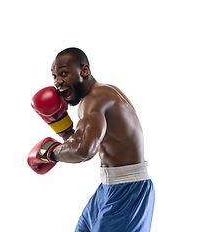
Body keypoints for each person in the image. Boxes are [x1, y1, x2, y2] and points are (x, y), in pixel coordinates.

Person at [28, 47, 155, 232]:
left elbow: (82, 150)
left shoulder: (95, 100)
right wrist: (61, 124)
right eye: (54, 76)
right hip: (108, 188)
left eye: (64, 73)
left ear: (84, 70)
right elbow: (86, 142)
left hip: (128, 191)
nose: (57, 82)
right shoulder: (98, 95)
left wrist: (47, 152)